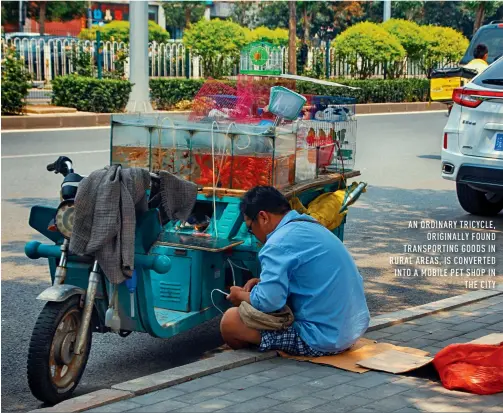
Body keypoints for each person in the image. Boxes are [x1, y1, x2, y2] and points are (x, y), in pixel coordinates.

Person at [220, 186, 370, 356]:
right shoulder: (308, 225)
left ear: (263, 217)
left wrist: (239, 296)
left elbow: (269, 302)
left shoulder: (277, 243)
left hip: (321, 339)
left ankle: (264, 353)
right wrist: (262, 284)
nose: (253, 234)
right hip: (352, 330)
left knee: (231, 321)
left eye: (250, 228)